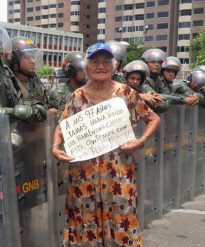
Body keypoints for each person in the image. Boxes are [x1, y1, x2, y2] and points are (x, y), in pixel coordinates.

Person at [52, 43, 160, 246]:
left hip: (118, 173)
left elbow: (153, 118)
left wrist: (140, 141)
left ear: (114, 66)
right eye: (95, 61)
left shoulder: (127, 93)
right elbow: (62, 127)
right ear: (86, 67)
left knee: (122, 220)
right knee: (85, 220)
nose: (100, 66)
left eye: (105, 61)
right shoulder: (77, 97)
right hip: (84, 176)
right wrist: (56, 147)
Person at [8, 36, 48, 121]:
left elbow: (45, 104)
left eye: (33, 57)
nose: (33, 61)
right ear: (14, 60)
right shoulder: (8, 83)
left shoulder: (36, 81)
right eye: (27, 57)